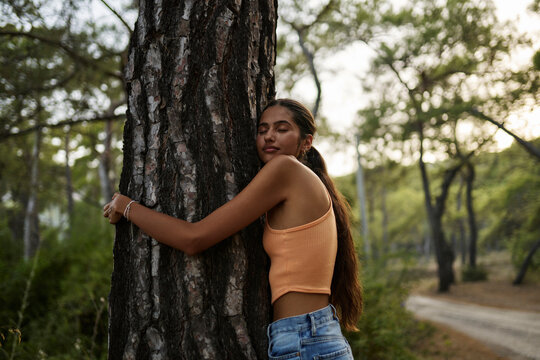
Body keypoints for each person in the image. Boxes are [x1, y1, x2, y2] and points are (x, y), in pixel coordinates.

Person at [103, 98, 362, 359]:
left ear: (306, 141)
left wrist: (127, 206)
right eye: (262, 130)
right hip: (310, 336)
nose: (269, 136)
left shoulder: (286, 169)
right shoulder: (302, 181)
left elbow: (195, 239)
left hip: (304, 341)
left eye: (282, 129)